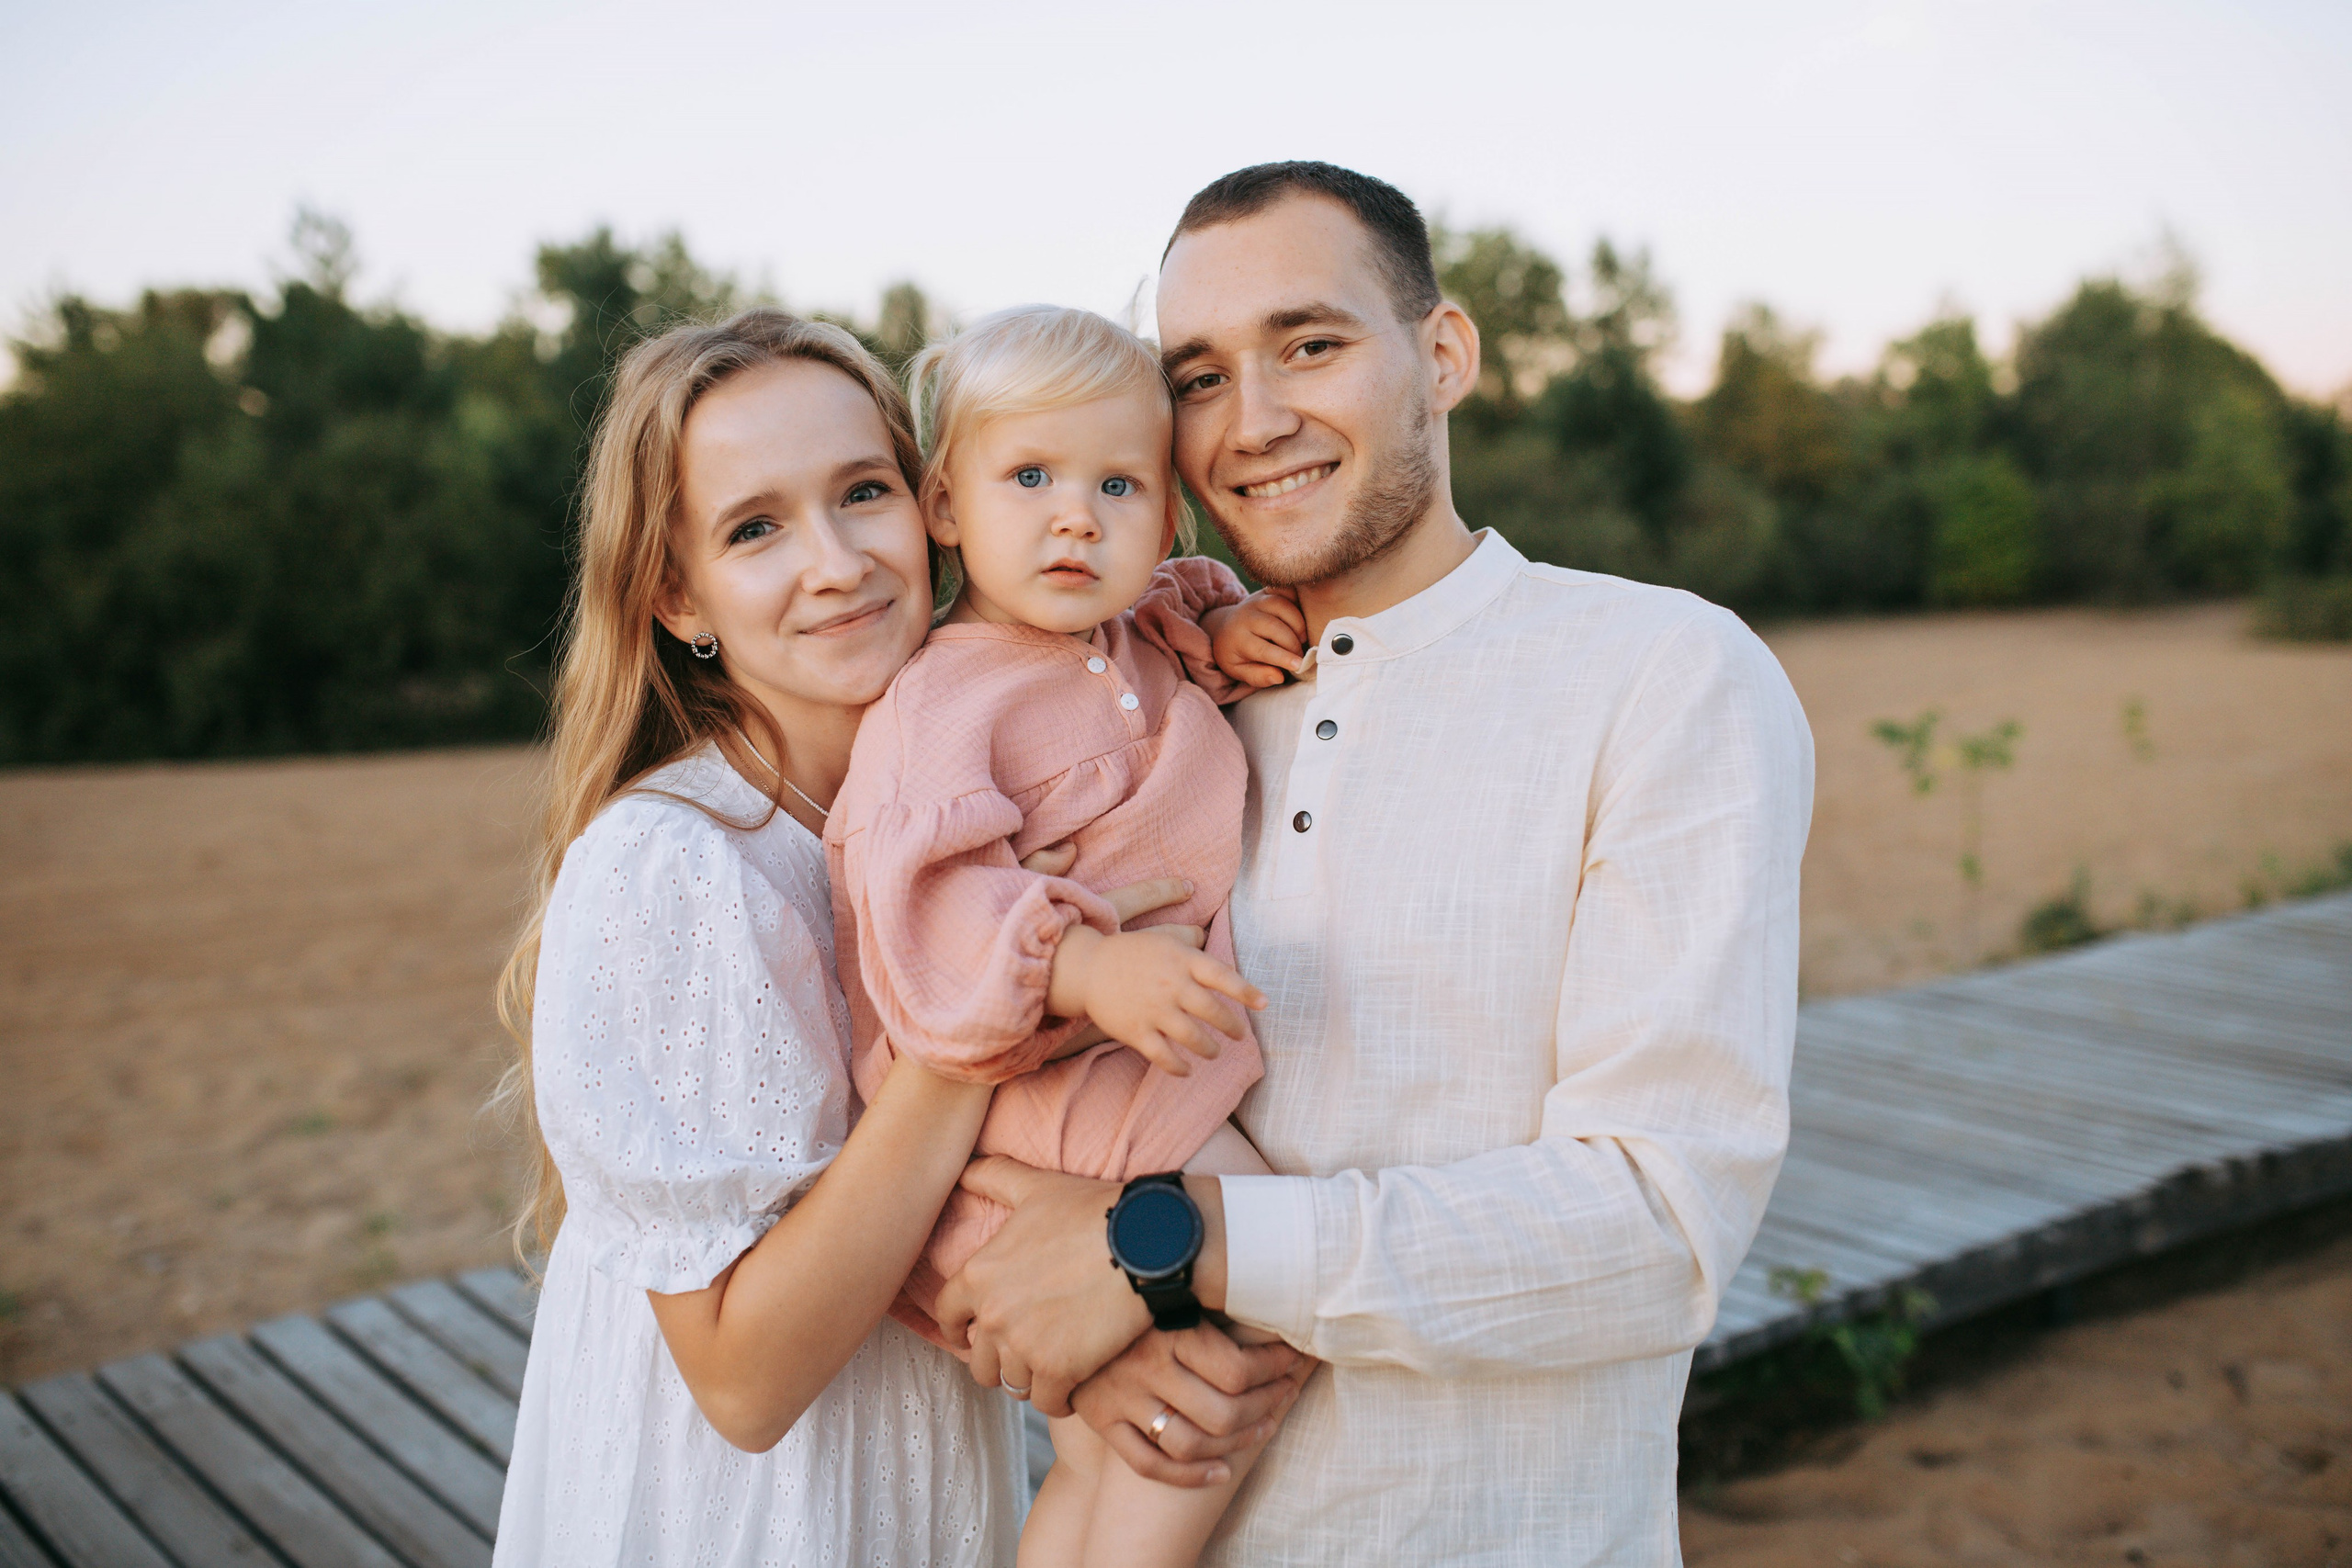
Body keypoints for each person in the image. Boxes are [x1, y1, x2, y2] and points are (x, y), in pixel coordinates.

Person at [933, 163, 1815, 1563]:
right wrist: (1018, 1276)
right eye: (1200, 377)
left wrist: (1169, 1242)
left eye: (1312, 345)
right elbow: (960, 1047)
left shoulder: (1661, 674)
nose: (1255, 419)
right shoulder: (1147, 704)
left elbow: (1660, 1225)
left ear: (1444, 354)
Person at [489, 309, 1303, 1566]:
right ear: (678, 593)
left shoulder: (983, 773)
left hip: (921, 1486)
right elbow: (747, 1386)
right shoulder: (681, 866)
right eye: (755, 528)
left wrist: (1113, 1305)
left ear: (932, 506)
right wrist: (998, 1000)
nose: (836, 562)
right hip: (747, 1528)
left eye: (859, 492)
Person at [826, 303, 1310, 1568]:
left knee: (1110, 1432)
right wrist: (1086, 966)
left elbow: (1165, 642)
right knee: (1268, 1276)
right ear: (944, 506)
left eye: (1118, 484)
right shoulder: (945, 700)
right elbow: (925, 912)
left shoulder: (1133, 632)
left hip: (1124, 1069)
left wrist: (1221, 635)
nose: (1075, 516)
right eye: (1029, 476)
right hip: (1063, 1086)